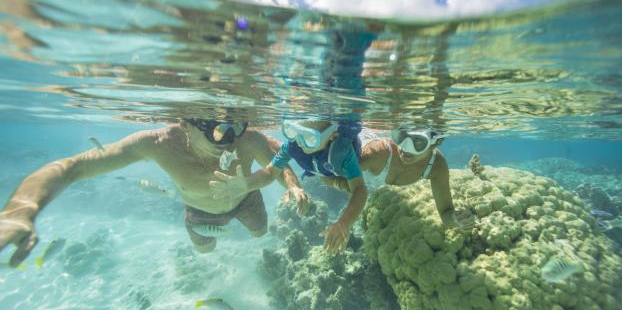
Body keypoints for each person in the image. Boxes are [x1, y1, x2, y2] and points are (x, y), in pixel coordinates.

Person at [0, 118, 308, 267]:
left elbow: (277, 161)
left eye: (237, 126)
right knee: (205, 253)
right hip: (198, 212)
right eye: (218, 131)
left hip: (246, 200)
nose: (230, 139)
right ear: (186, 125)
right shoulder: (158, 143)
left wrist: (293, 187)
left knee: (260, 233)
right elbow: (74, 167)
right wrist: (21, 209)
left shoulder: (246, 136)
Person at [209, 119, 367, 254]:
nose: (300, 141)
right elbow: (270, 172)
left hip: (346, 162)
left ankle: (378, 142)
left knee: (372, 162)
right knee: (333, 180)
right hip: (322, 170)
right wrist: (247, 184)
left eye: (310, 138)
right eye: (293, 132)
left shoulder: (342, 152)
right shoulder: (294, 145)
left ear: (333, 135)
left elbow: (360, 189)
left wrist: (344, 222)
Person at [327, 128, 475, 229]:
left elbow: (446, 213)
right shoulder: (377, 154)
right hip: (364, 137)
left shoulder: (436, 166)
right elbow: (320, 172)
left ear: (436, 142)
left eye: (417, 141)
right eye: (402, 136)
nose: (405, 148)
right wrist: (341, 184)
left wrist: (456, 220)